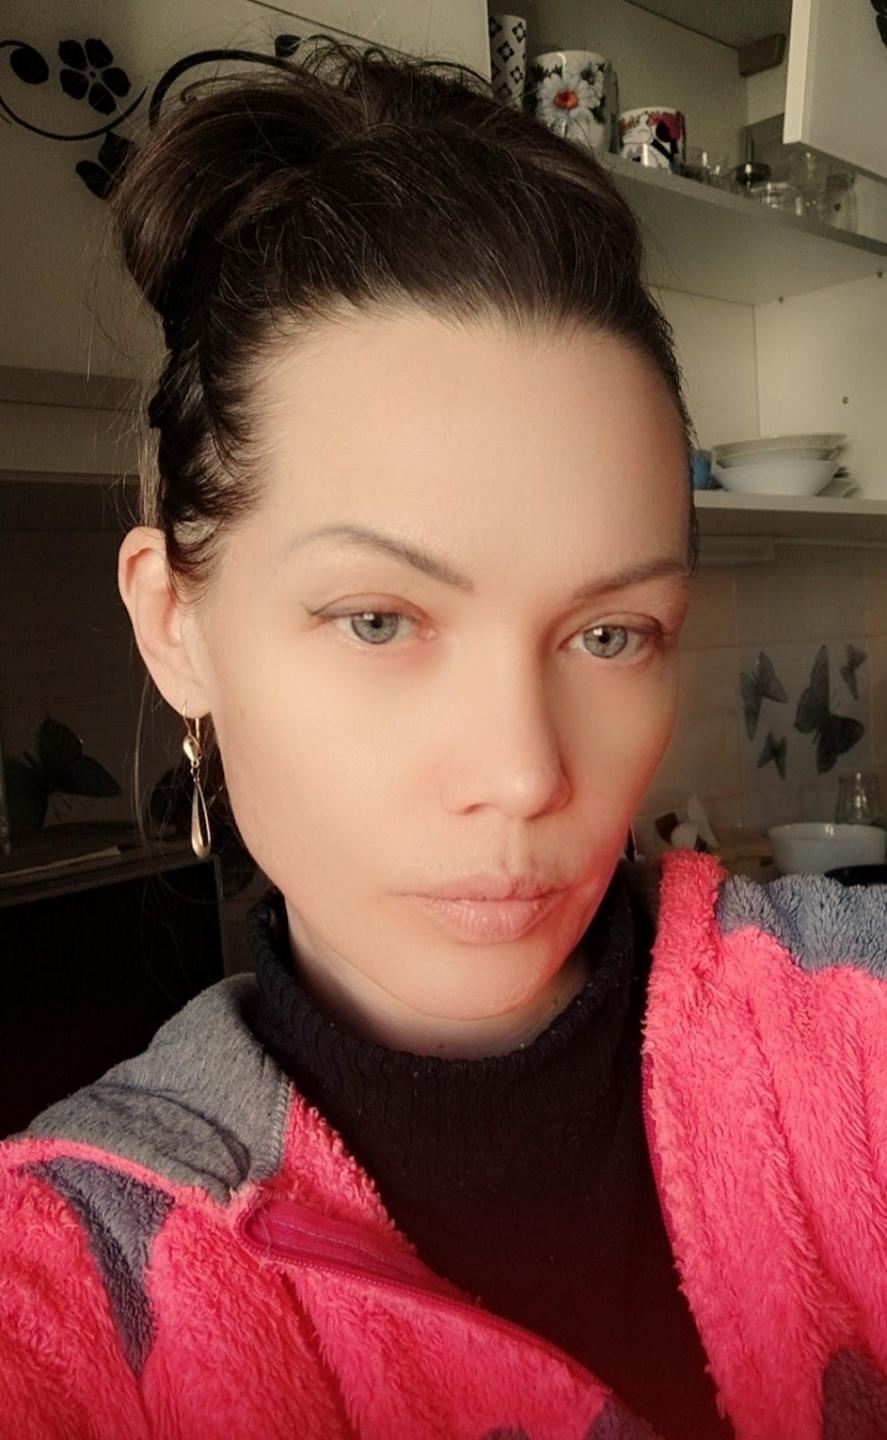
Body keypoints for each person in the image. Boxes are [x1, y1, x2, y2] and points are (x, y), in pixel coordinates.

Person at [1, 38, 885, 1440]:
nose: (526, 774)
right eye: (379, 620)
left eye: (611, 634)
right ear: (176, 624)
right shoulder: (78, 1275)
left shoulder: (851, 1026)